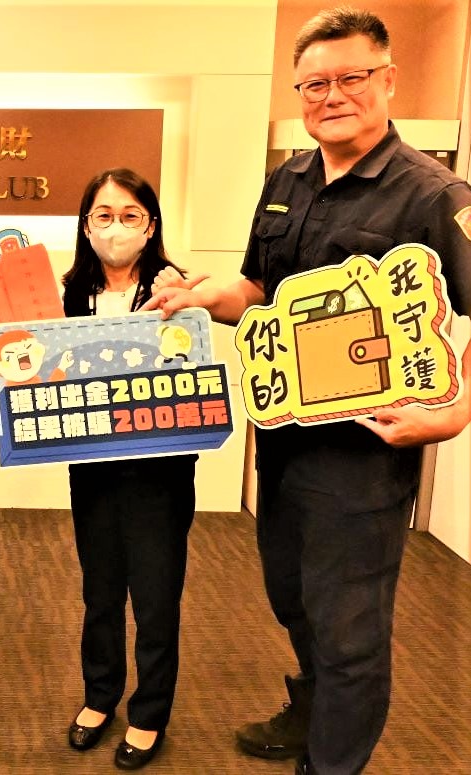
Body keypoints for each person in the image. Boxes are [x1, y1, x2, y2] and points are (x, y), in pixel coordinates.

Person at [145, 8, 471, 774]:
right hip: (282, 439)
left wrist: (454, 411)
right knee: (291, 594)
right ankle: (311, 708)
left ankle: (330, 762)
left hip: (363, 458)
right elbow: (259, 292)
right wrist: (203, 296)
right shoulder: (286, 180)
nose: (332, 96)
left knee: (349, 628)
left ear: (387, 80)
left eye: (350, 77)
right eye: (314, 84)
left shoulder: (432, 194)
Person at [61, 169, 197, 771]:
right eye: (103, 215)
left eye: (130, 215)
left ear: (150, 224)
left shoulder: (173, 289)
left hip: (159, 471)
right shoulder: (66, 294)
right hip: (92, 465)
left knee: (156, 594)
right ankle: (99, 696)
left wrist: (186, 301)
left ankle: (149, 712)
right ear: (86, 225)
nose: (115, 228)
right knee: (100, 589)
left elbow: (195, 371)